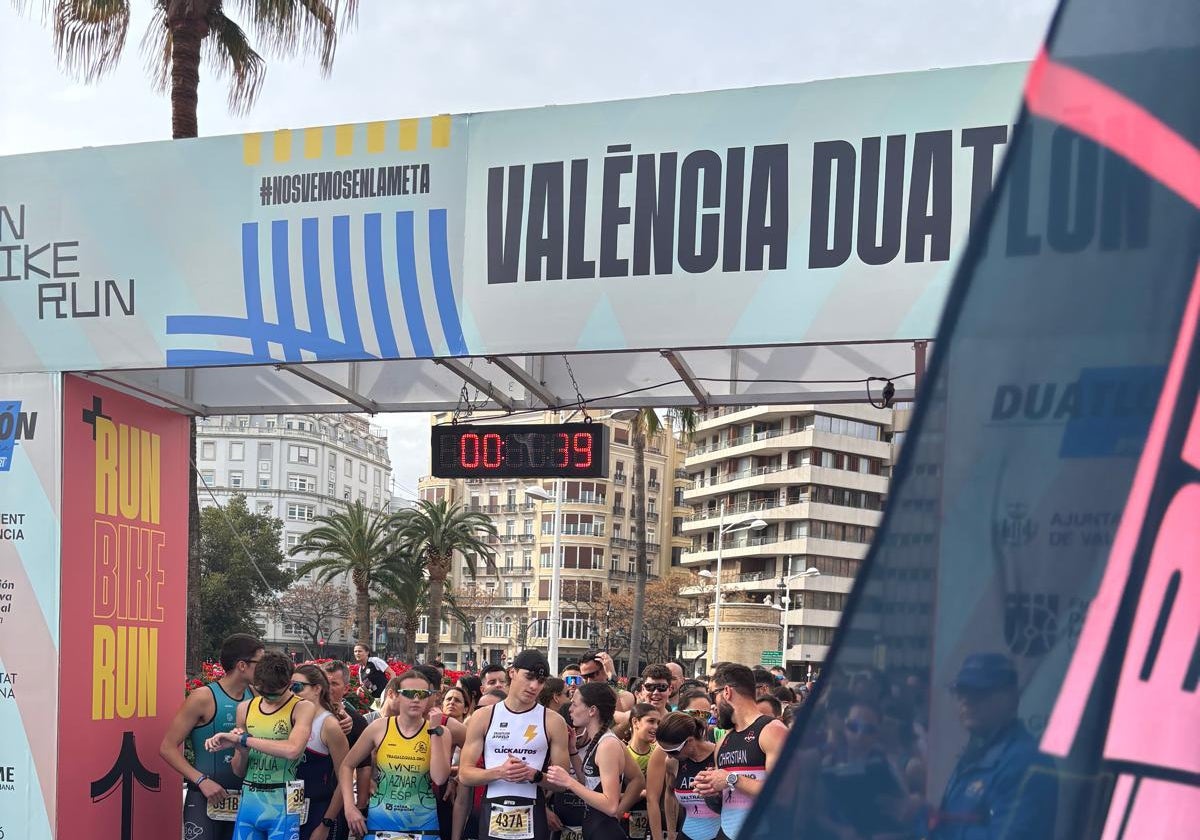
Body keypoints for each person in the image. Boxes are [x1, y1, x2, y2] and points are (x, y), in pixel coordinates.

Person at [931, 654, 1057, 840]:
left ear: (1011, 698)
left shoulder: (1027, 762)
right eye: (962, 692)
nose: (967, 701)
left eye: (979, 692)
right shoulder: (974, 756)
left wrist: (933, 824)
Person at [204, 650, 317, 840]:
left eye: (274, 693)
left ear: (288, 684)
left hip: (283, 803)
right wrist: (241, 750)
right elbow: (239, 771)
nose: (268, 697)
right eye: (263, 691)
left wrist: (243, 739)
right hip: (250, 800)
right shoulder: (245, 708)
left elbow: (293, 750)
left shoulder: (302, 707)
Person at [459, 650, 571, 840]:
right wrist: (500, 772)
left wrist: (533, 775)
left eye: (541, 682)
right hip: (493, 812)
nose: (534, 686)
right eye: (529, 677)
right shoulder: (484, 716)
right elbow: (464, 774)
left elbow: (562, 783)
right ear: (512, 672)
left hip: (533, 814)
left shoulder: (553, 721)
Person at [161, 633, 262, 840]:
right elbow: (167, 747)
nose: (264, 669)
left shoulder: (256, 696)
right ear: (242, 665)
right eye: (260, 663)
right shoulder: (203, 697)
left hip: (246, 798)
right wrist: (201, 781)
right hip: (205, 797)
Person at [339, 670, 452, 839]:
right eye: (408, 694)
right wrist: (349, 807)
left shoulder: (440, 732)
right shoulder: (379, 727)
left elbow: (440, 778)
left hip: (422, 824)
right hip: (381, 823)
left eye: (422, 694)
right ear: (397, 696)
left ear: (430, 697)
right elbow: (347, 766)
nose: (415, 699)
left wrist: (434, 732)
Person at [693, 663, 788, 840]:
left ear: (727, 692)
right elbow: (723, 803)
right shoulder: (723, 741)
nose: (713, 704)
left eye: (713, 694)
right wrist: (710, 790)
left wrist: (731, 778)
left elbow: (782, 792)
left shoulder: (772, 730)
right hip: (727, 832)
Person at [544, 682, 645, 840]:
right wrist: (573, 751)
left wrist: (569, 782)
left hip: (603, 829)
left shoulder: (607, 745)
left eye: (575, 705)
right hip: (594, 825)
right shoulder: (601, 740)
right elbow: (590, 784)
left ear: (592, 710)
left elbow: (610, 805)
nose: (570, 709)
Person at [290, 664, 350, 840]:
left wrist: (326, 823)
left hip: (318, 810)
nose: (292, 692)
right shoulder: (290, 716)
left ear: (317, 689)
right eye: (289, 686)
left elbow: (344, 780)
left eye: (297, 687)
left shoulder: (329, 725)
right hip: (289, 809)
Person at [647, 712, 720, 840]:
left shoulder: (719, 756)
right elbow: (669, 794)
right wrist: (671, 832)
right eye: (665, 751)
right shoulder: (673, 762)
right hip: (687, 833)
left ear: (690, 741)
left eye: (673, 751)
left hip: (721, 833)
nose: (669, 756)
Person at [322, 660, 373, 840]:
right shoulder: (303, 715)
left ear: (345, 688)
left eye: (334, 684)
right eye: (323, 683)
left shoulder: (356, 721)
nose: (327, 688)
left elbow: (364, 767)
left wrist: (359, 807)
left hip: (338, 800)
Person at [625, 704, 662, 840]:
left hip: (655, 823)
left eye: (658, 723)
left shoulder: (660, 753)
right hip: (626, 819)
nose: (656, 727)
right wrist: (643, 793)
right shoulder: (622, 752)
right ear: (635, 722)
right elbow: (611, 796)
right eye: (651, 721)